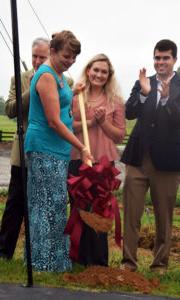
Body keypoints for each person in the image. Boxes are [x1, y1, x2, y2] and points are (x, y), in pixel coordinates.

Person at [24, 30, 92, 272]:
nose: (70, 61)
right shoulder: (46, 76)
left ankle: (54, 259)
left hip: (57, 151)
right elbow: (53, 120)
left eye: (74, 57)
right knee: (45, 205)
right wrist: (81, 146)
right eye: (66, 56)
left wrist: (73, 93)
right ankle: (43, 263)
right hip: (44, 148)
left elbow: (59, 100)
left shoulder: (59, 76)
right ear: (52, 52)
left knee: (54, 203)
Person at [121, 39, 180, 273]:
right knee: (131, 214)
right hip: (138, 158)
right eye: (157, 57)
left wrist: (166, 100)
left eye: (165, 58)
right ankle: (128, 263)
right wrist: (145, 94)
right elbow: (129, 112)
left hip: (167, 162)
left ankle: (159, 265)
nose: (160, 62)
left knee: (164, 217)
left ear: (174, 59)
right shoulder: (143, 82)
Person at [69, 53, 126, 266]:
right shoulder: (76, 97)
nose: (99, 75)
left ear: (109, 75)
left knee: (100, 211)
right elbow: (66, 126)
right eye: (96, 70)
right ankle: (78, 258)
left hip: (102, 163)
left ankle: (99, 262)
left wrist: (102, 122)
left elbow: (119, 135)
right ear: (88, 70)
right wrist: (91, 121)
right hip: (77, 158)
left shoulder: (115, 101)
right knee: (79, 208)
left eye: (104, 72)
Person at [0, 37, 50, 260]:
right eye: (35, 56)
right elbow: (10, 109)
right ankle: (4, 252)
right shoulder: (17, 79)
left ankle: (36, 254)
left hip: (47, 151)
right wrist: (31, 88)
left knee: (40, 206)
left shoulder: (62, 81)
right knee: (15, 203)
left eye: (43, 57)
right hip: (22, 151)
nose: (38, 61)